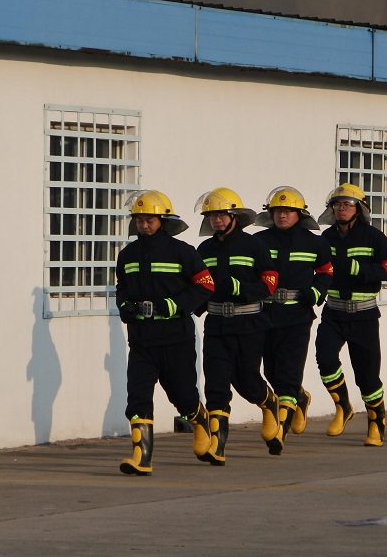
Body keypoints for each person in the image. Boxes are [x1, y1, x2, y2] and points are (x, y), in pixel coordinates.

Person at [115, 190, 215, 476]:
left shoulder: (183, 252)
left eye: (150, 220)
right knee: (137, 398)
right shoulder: (127, 255)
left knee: (183, 396)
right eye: (140, 220)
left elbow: (205, 285)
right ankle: (142, 458)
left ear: (163, 220)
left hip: (175, 339)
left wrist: (175, 305)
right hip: (142, 340)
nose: (144, 225)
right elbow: (122, 288)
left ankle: (200, 419)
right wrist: (124, 306)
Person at [195, 187, 283, 464]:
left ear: (235, 216)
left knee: (246, 380)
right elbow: (197, 283)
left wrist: (240, 288)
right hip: (216, 324)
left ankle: (269, 402)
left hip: (249, 323)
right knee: (216, 384)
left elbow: (270, 283)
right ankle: (218, 446)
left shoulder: (254, 246)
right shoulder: (204, 249)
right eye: (212, 216)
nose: (217, 220)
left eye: (222, 215)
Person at [314, 183, 387, 446]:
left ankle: (376, 423)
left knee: (367, 375)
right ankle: (343, 406)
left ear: (359, 209)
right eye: (337, 204)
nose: (341, 208)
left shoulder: (374, 237)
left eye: (347, 204)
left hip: (364, 315)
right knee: (325, 360)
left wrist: (358, 269)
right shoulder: (325, 238)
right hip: (333, 312)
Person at [252, 186, 333, 441]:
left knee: (289, 371)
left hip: (298, 315)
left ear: (300, 214)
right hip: (266, 314)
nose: (282, 215)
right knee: (272, 372)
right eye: (277, 211)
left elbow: (326, 273)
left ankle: (280, 431)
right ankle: (300, 397)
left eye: (288, 211)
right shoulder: (259, 241)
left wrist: (316, 292)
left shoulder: (315, 242)